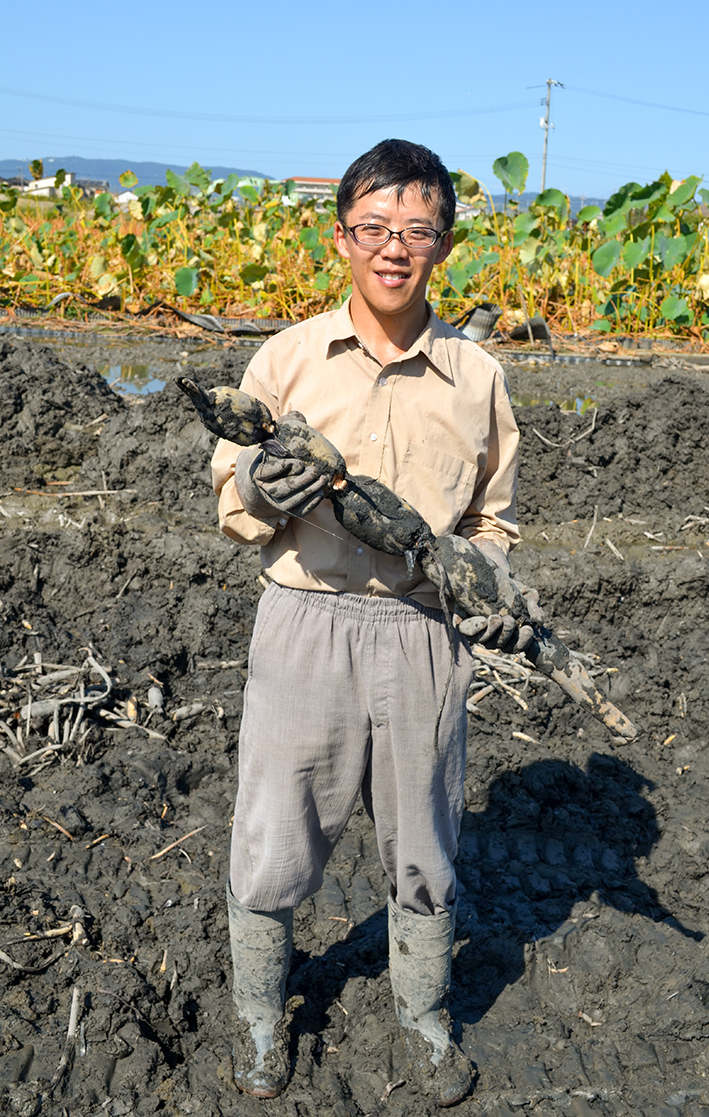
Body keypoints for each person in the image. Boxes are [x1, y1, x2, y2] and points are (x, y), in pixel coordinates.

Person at [211, 138, 535, 1107]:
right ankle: (263, 1018)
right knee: (273, 834)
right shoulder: (288, 358)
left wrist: (478, 575)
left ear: (442, 243)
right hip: (303, 621)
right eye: (374, 228)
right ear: (342, 236)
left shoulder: (475, 378)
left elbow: (493, 517)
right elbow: (230, 502)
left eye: (417, 230)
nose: (394, 247)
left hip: (421, 633)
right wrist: (264, 486)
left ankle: (423, 1018)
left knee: (423, 839)